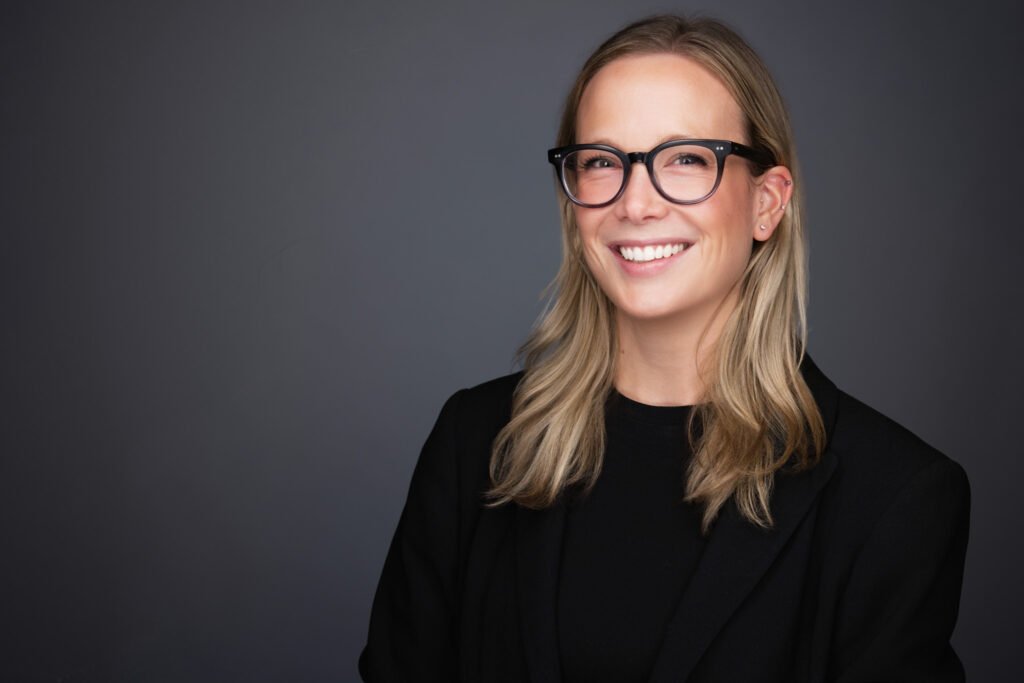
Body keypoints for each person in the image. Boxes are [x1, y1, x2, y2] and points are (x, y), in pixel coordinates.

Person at [358, 14, 970, 683]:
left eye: (685, 159)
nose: (636, 202)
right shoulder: (472, 445)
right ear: (573, 200)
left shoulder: (895, 496)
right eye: (601, 162)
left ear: (767, 204)